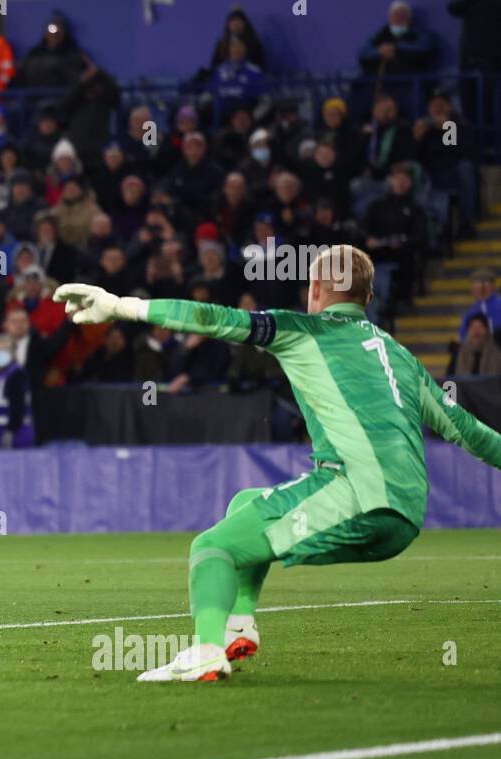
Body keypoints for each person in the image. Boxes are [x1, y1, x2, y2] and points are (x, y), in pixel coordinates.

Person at [54, 244, 501, 682]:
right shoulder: (402, 358)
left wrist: (121, 306)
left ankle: (206, 651)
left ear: (316, 288)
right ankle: (239, 625)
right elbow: (470, 431)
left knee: (212, 548)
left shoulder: (303, 330)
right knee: (246, 503)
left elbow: (212, 319)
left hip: (356, 494)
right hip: (405, 517)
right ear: (367, 299)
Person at [0, 334, 33, 448]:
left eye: (3, 350)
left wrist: (10, 432)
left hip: (13, 437)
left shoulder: (16, 375)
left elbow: (18, 406)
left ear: (13, 353)